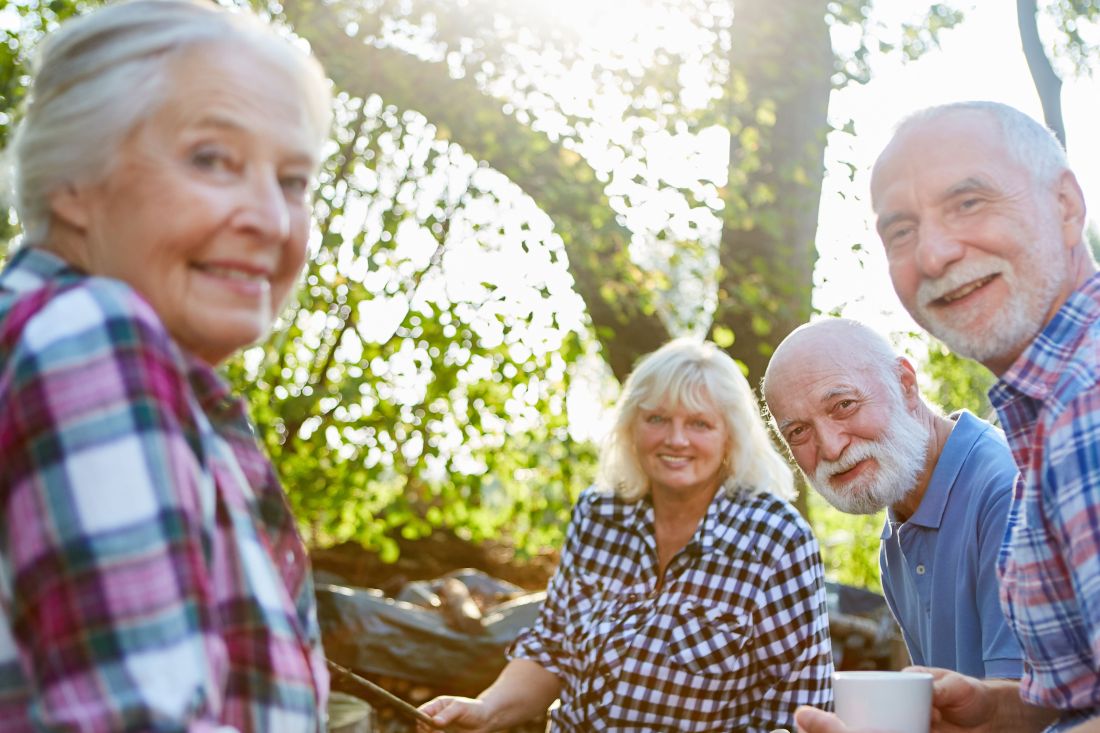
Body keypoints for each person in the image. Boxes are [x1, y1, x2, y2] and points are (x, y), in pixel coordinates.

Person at [0, 1, 333, 729]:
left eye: (293, 181)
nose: (273, 221)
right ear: (73, 183)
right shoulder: (90, 337)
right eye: (212, 159)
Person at [796, 101, 1100, 733]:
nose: (933, 254)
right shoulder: (1042, 419)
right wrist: (987, 712)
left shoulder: (1087, 406)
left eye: (969, 202)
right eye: (901, 231)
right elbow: (1077, 699)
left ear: (1067, 206)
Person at [418, 338, 834, 732]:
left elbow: (799, 708)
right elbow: (553, 649)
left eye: (699, 423)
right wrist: (485, 709)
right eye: (657, 419)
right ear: (631, 427)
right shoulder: (598, 514)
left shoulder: (775, 538)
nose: (675, 439)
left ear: (731, 436)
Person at [763, 317, 1022, 679]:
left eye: (843, 405)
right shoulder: (900, 531)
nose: (832, 447)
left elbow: (1027, 708)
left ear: (905, 384)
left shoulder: (1008, 493)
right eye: (799, 431)